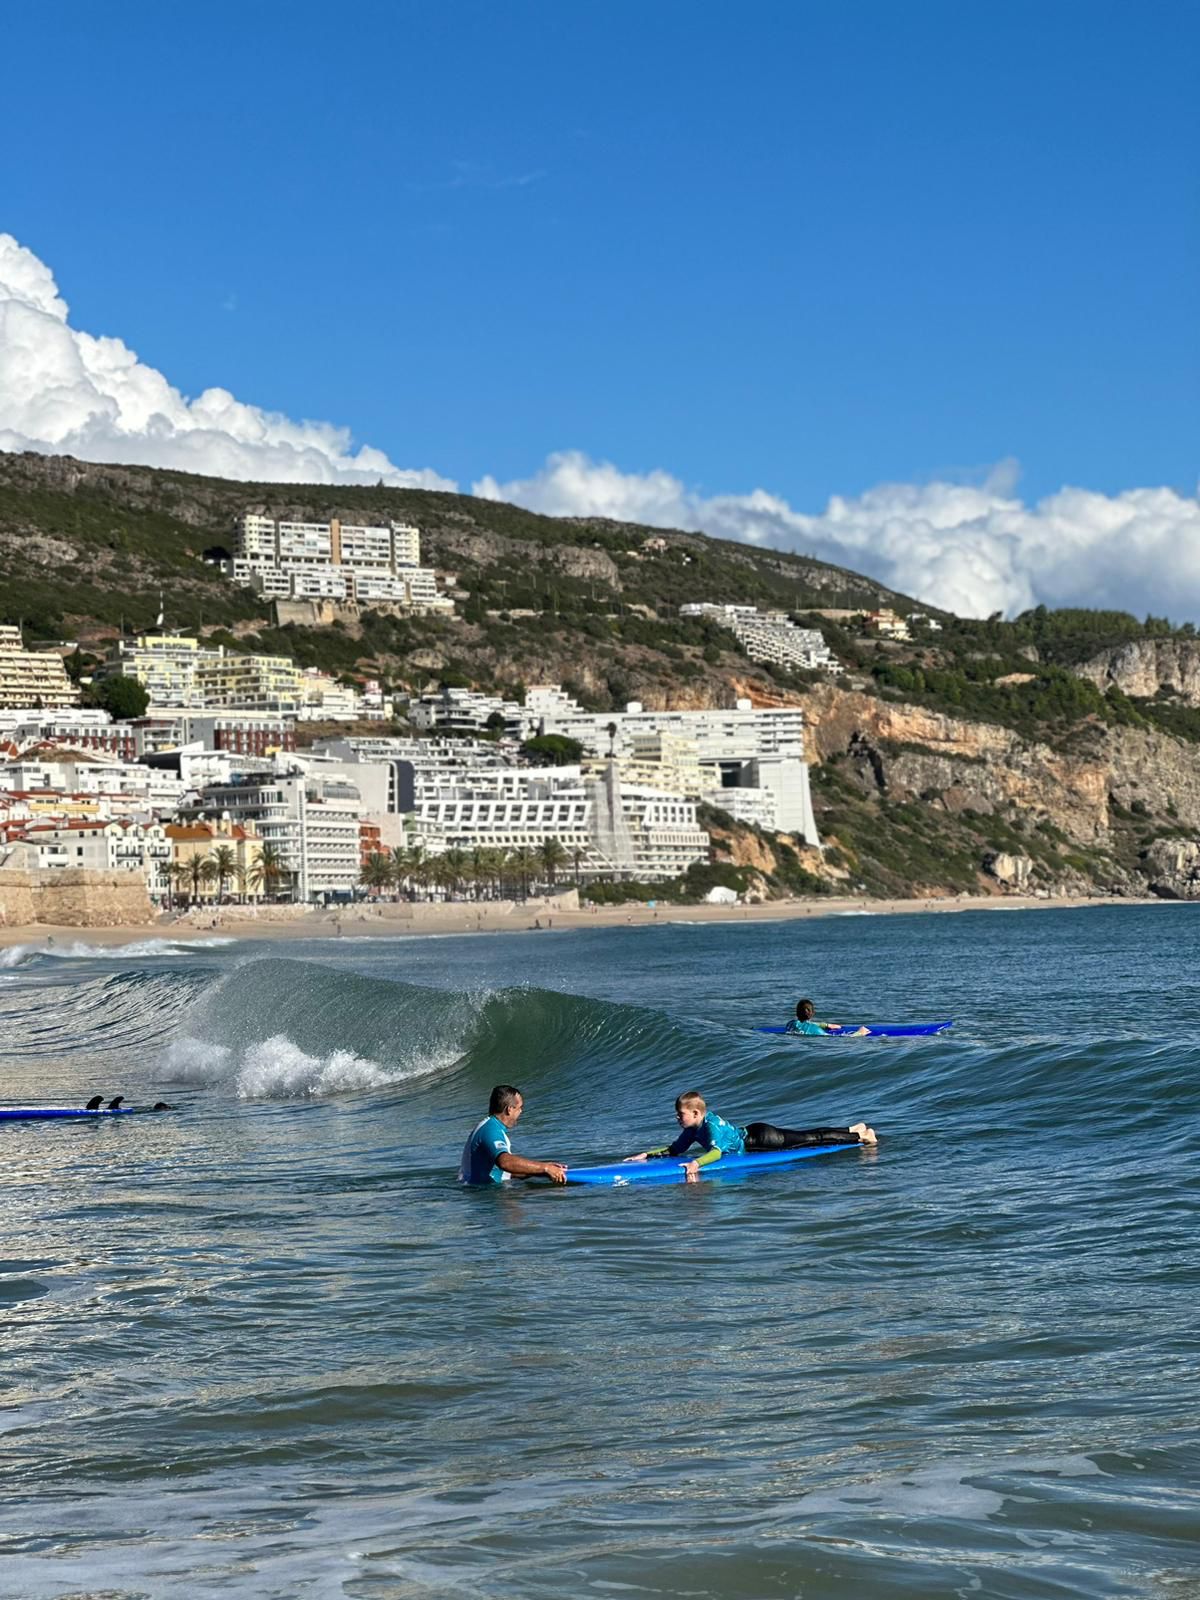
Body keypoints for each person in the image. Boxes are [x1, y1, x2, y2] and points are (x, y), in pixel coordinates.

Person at [625, 1090, 876, 1184]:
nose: (677, 1119)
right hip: (754, 1134)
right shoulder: (692, 1128)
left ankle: (860, 1137)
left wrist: (696, 1164)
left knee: (810, 1139)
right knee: (806, 1135)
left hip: (762, 1139)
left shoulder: (710, 1126)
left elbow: (716, 1153)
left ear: (695, 1112)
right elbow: (674, 1149)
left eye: (680, 1115)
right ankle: (853, 1129)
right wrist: (647, 1154)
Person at [459, 1084, 567, 1185]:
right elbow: (505, 1162)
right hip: (484, 1195)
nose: (521, 1111)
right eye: (519, 1107)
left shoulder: (489, 1126)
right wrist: (545, 1168)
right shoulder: (491, 1130)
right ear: (509, 1109)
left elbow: (505, 1172)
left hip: (479, 1193)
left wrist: (544, 1170)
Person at [785, 998, 868, 1037]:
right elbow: (842, 1038)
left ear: (796, 1013)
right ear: (813, 1013)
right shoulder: (816, 1030)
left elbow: (804, 1024)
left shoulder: (790, 1024)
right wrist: (860, 1033)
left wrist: (827, 1025)